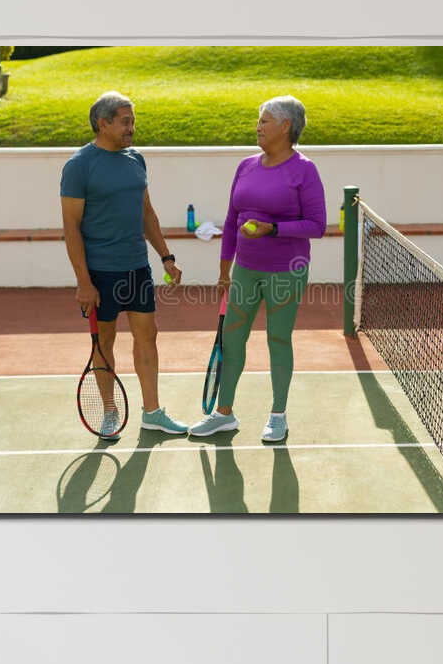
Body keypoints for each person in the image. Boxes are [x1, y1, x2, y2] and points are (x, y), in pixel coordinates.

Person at [192, 95, 326, 444]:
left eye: (265, 120)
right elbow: (233, 219)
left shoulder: (304, 170)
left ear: (285, 126)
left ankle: (277, 415)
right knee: (233, 339)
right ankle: (224, 414)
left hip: (286, 272)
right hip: (245, 271)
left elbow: (317, 224)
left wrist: (275, 229)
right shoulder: (246, 165)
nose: (258, 126)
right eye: (259, 120)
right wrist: (225, 269)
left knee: (278, 339)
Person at [59, 91, 185, 439]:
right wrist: (84, 282)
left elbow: (146, 211)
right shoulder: (79, 166)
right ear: (103, 123)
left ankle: (152, 412)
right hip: (100, 274)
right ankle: (110, 412)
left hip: (136, 269)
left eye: (133, 120)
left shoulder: (136, 159)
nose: (132, 127)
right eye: (125, 121)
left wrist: (166, 256)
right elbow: (71, 228)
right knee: (105, 342)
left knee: (148, 336)